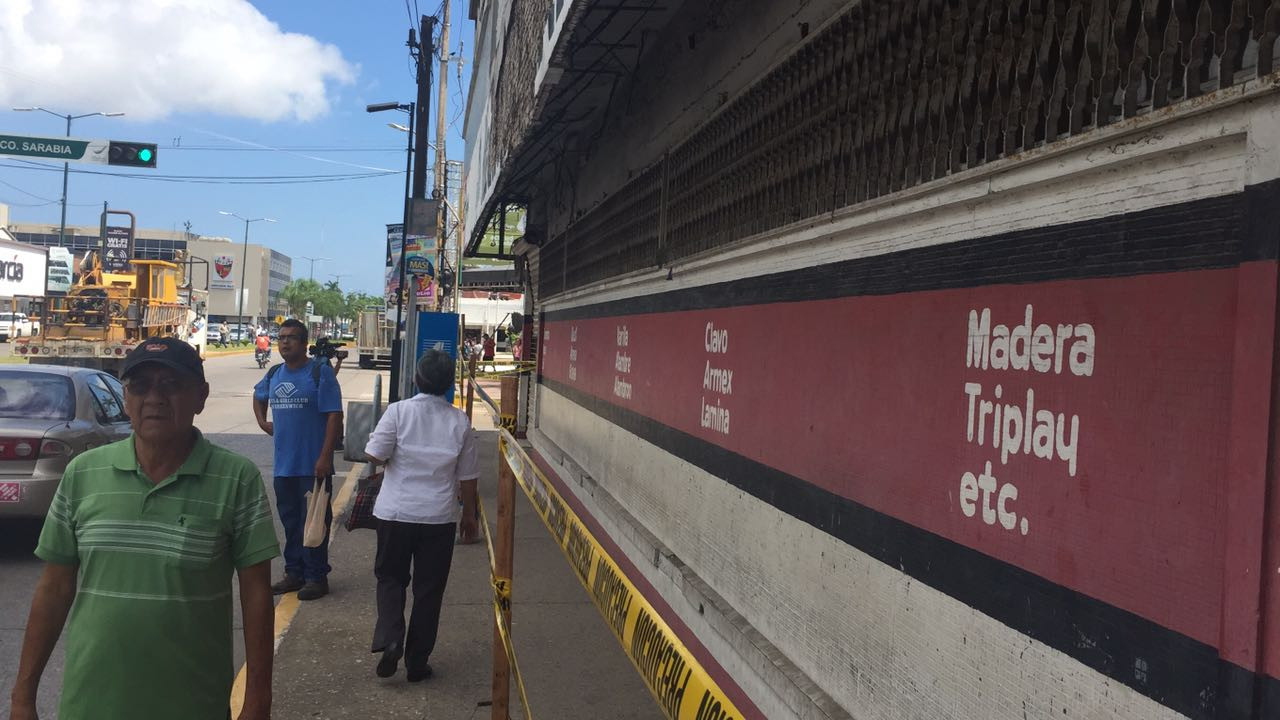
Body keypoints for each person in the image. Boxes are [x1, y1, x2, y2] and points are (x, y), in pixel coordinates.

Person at [8, 338, 279, 720]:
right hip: (90, 704)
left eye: (171, 384)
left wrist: (258, 700)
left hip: (192, 704)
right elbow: (54, 588)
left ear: (200, 397)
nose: (155, 397)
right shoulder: (83, 473)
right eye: (141, 385)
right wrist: (22, 696)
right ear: (126, 396)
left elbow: (256, 594)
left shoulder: (237, 479)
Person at [364, 349, 479, 682]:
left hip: (395, 513)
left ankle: (391, 638)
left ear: (416, 379)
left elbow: (374, 453)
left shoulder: (399, 412)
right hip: (438, 518)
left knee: (390, 579)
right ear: (448, 384)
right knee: (429, 591)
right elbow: (468, 477)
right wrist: (468, 516)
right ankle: (417, 662)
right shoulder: (460, 421)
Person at [253, 318, 343, 601]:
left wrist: (325, 457)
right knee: (291, 522)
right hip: (284, 466)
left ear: (305, 344)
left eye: (291, 337)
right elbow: (258, 395)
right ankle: (294, 573)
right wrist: (262, 421)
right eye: (280, 337)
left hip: (313, 465)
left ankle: (317, 576)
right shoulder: (275, 373)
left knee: (314, 521)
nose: (284, 342)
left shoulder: (319, 372)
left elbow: (334, 415)